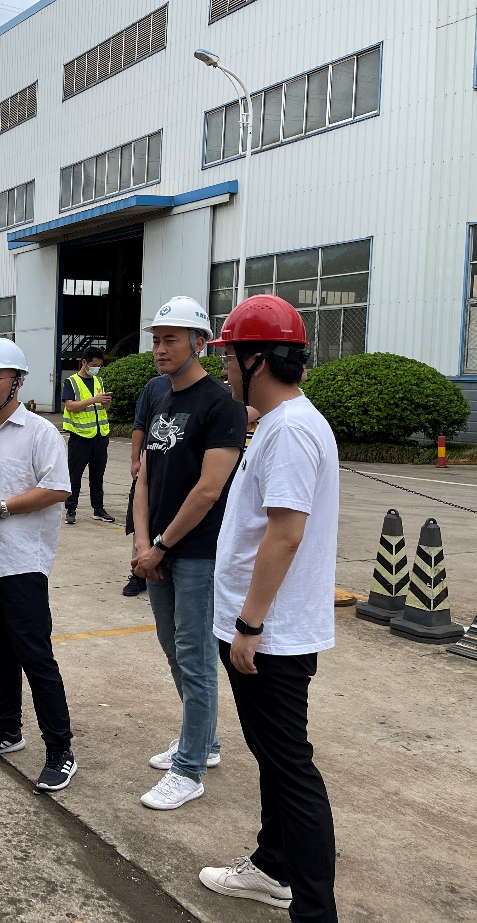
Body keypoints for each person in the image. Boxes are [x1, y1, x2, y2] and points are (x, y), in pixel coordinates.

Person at [199, 295, 339, 922]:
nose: (225, 367)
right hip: (267, 628)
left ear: (257, 360)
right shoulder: (284, 422)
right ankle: (273, 865)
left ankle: (313, 910)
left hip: (269, 634)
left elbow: (285, 533)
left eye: (230, 356)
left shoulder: (289, 431)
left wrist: (249, 624)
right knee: (276, 760)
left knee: (290, 769)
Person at [131, 295, 244, 810]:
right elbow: (144, 477)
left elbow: (209, 489)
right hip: (157, 550)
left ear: (199, 342)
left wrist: (161, 545)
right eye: (156, 340)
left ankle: (190, 768)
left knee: (196, 658)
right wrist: (142, 543)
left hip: (197, 552)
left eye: (171, 339)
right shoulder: (161, 399)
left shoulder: (221, 404)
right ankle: (206, 741)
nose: (160, 348)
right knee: (173, 648)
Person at [0, 339, 78, 792]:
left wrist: (1, 507)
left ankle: (60, 750)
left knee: (35, 657)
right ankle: (8, 729)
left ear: (17, 382)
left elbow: (58, 488)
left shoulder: (39, 433)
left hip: (21, 563)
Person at [122, 373, 172, 596]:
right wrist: (136, 460)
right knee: (141, 517)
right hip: (150, 468)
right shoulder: (154, 387)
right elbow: (140, 424)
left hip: (179, 471)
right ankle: (138, 572)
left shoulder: (207, 392)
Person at [60, 346, 114, 526]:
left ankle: (98, 509)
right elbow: (70, 406)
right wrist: (94, 400)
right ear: (84, 362)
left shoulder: (98, 380)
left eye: (99, 365)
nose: (96, 368)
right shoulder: (71, 382)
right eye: (93, 365)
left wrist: (106, 402)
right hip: (80, 437)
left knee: (97, 476)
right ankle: (71, 510)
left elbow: (104, 409)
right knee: (74, 476)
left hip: (100, 436)